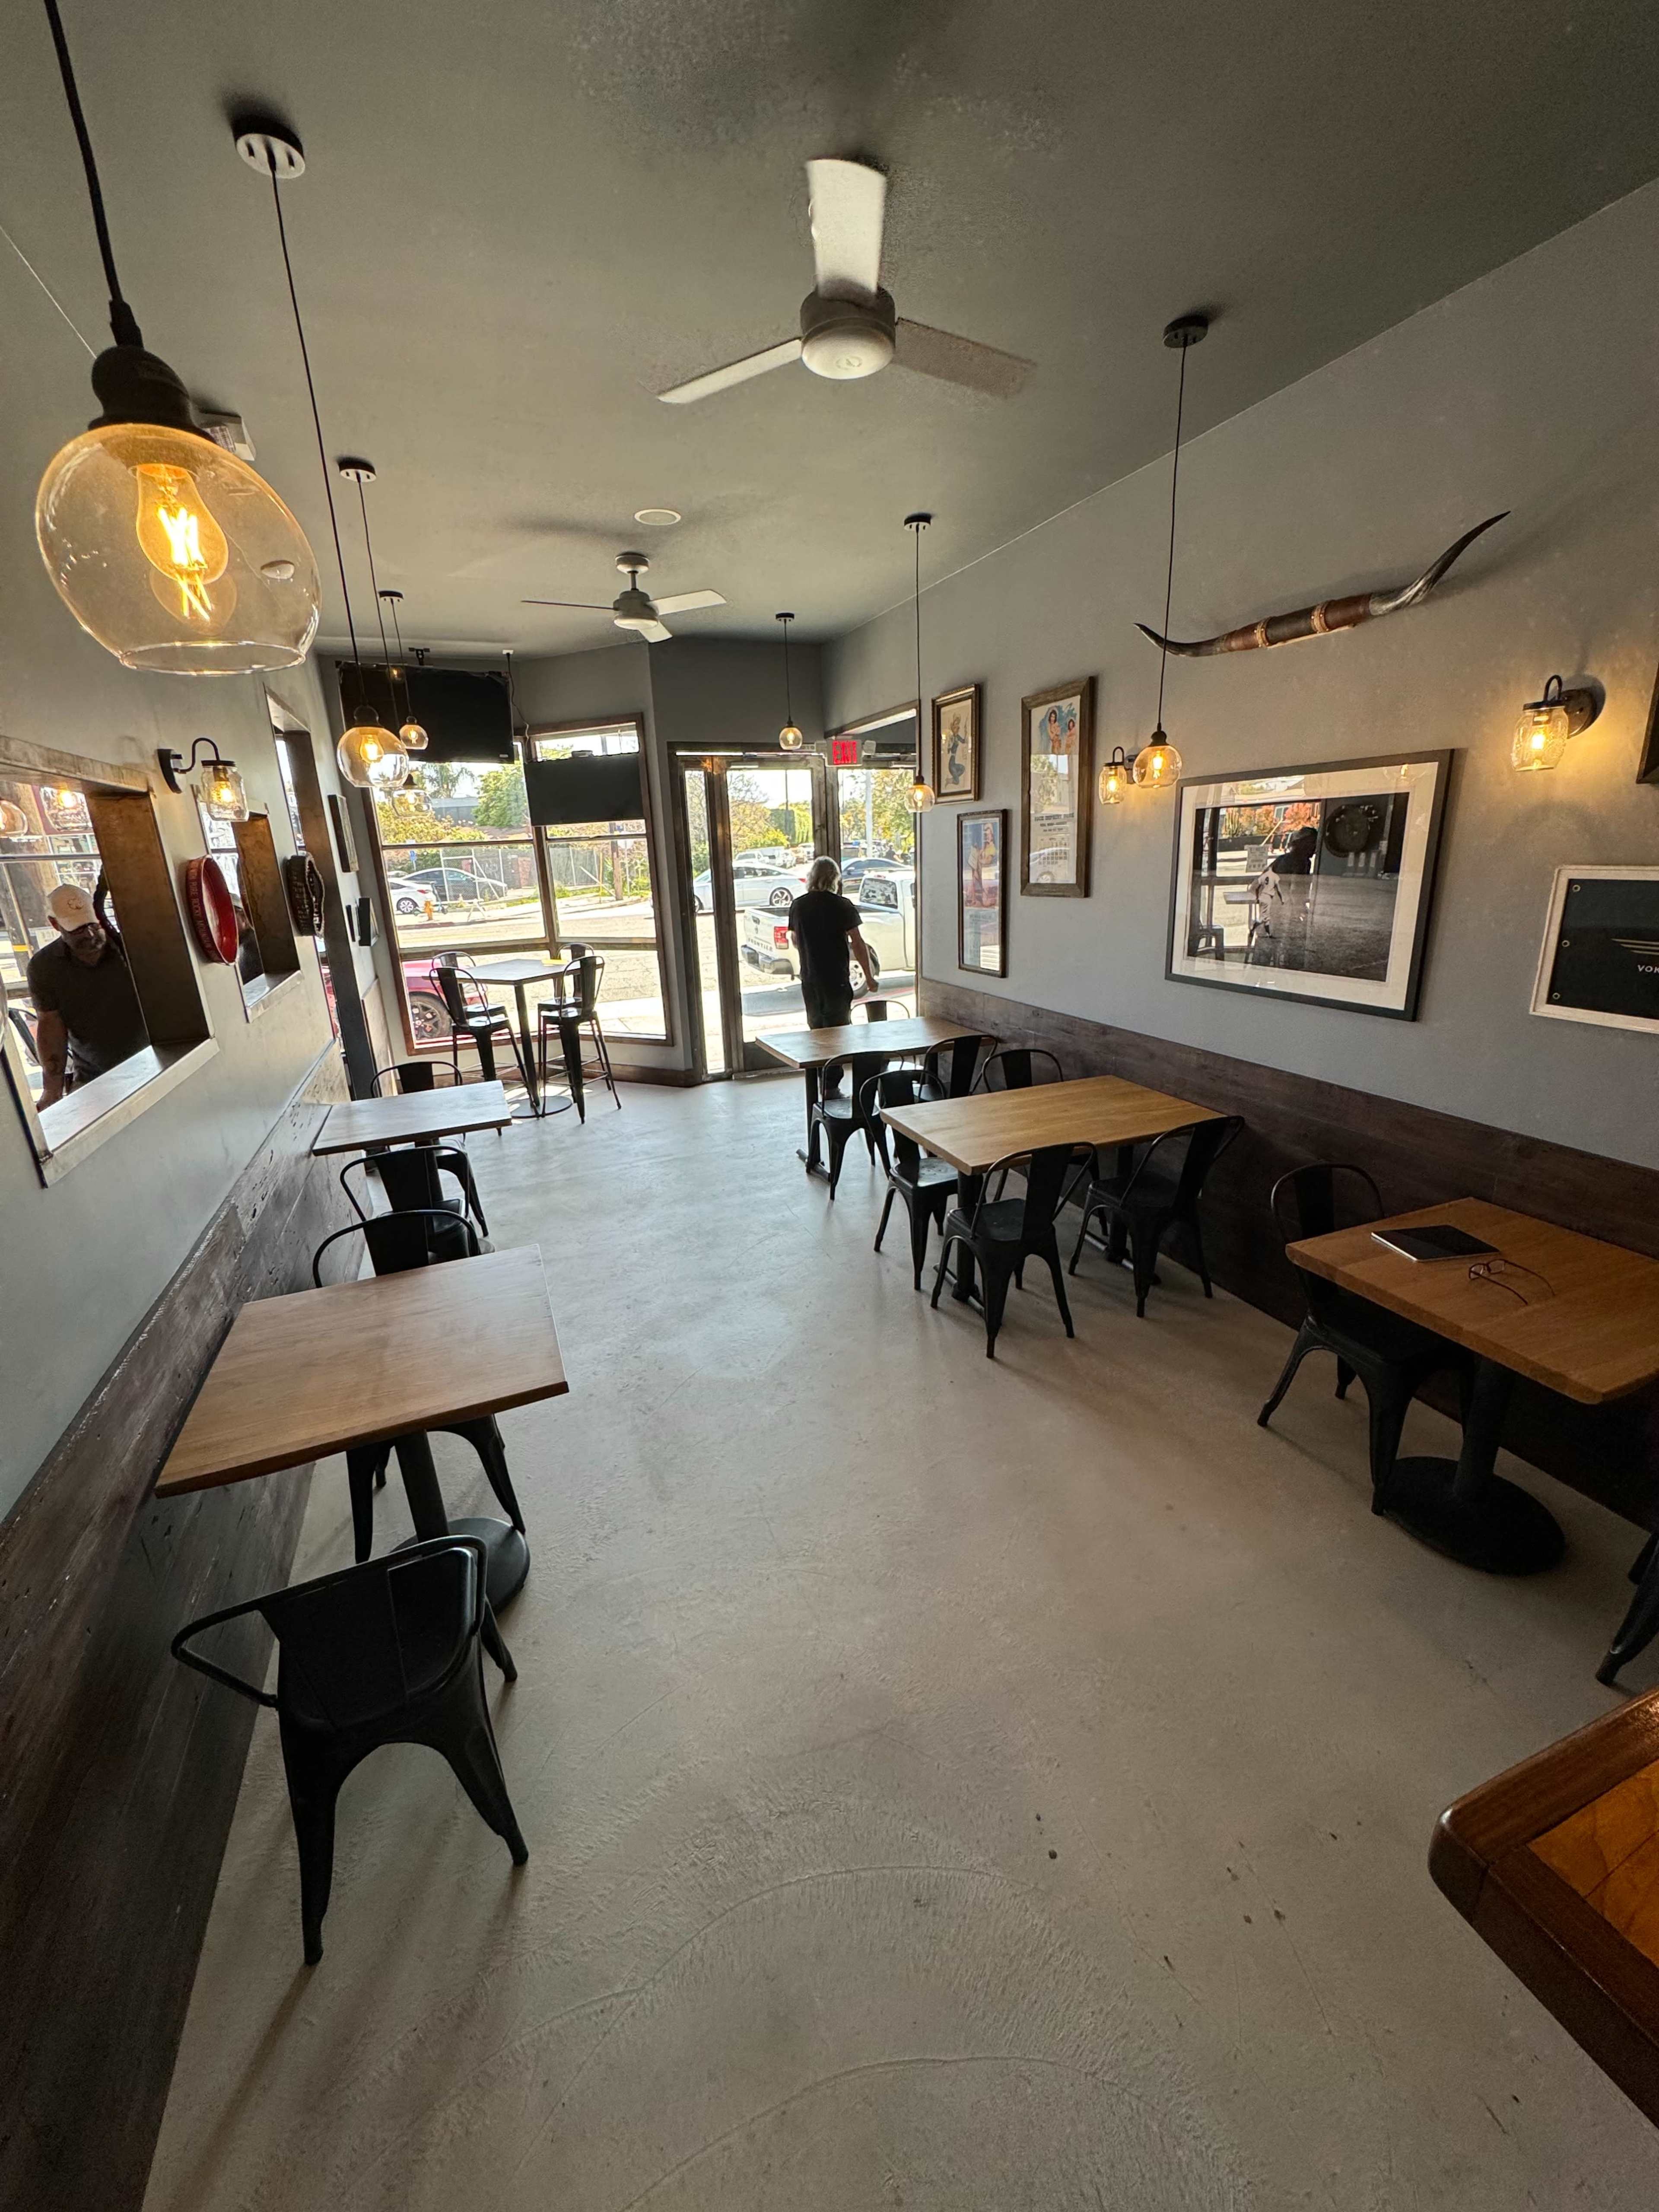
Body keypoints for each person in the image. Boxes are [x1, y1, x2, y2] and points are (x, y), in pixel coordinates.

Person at [26, 882, 149, 1106]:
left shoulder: (128, 948)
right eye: (78, 929)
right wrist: (51, 1092)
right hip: (95, 1077)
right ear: (55, 924)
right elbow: (51, 1028)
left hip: (152, 1064)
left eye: (93, 924)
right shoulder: (45, 967)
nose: (91, 934)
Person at [787, 856, 876, 1028]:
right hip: (836, 979)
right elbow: (858, 943)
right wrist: (869, 977)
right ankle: (837, 1057)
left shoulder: (798, 906)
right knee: (839, 1030)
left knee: (816, 1030)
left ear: (811, 877)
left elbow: (795, 940)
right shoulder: (843, 905)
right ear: (835, 879)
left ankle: (822, 1056)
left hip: (810, 978)